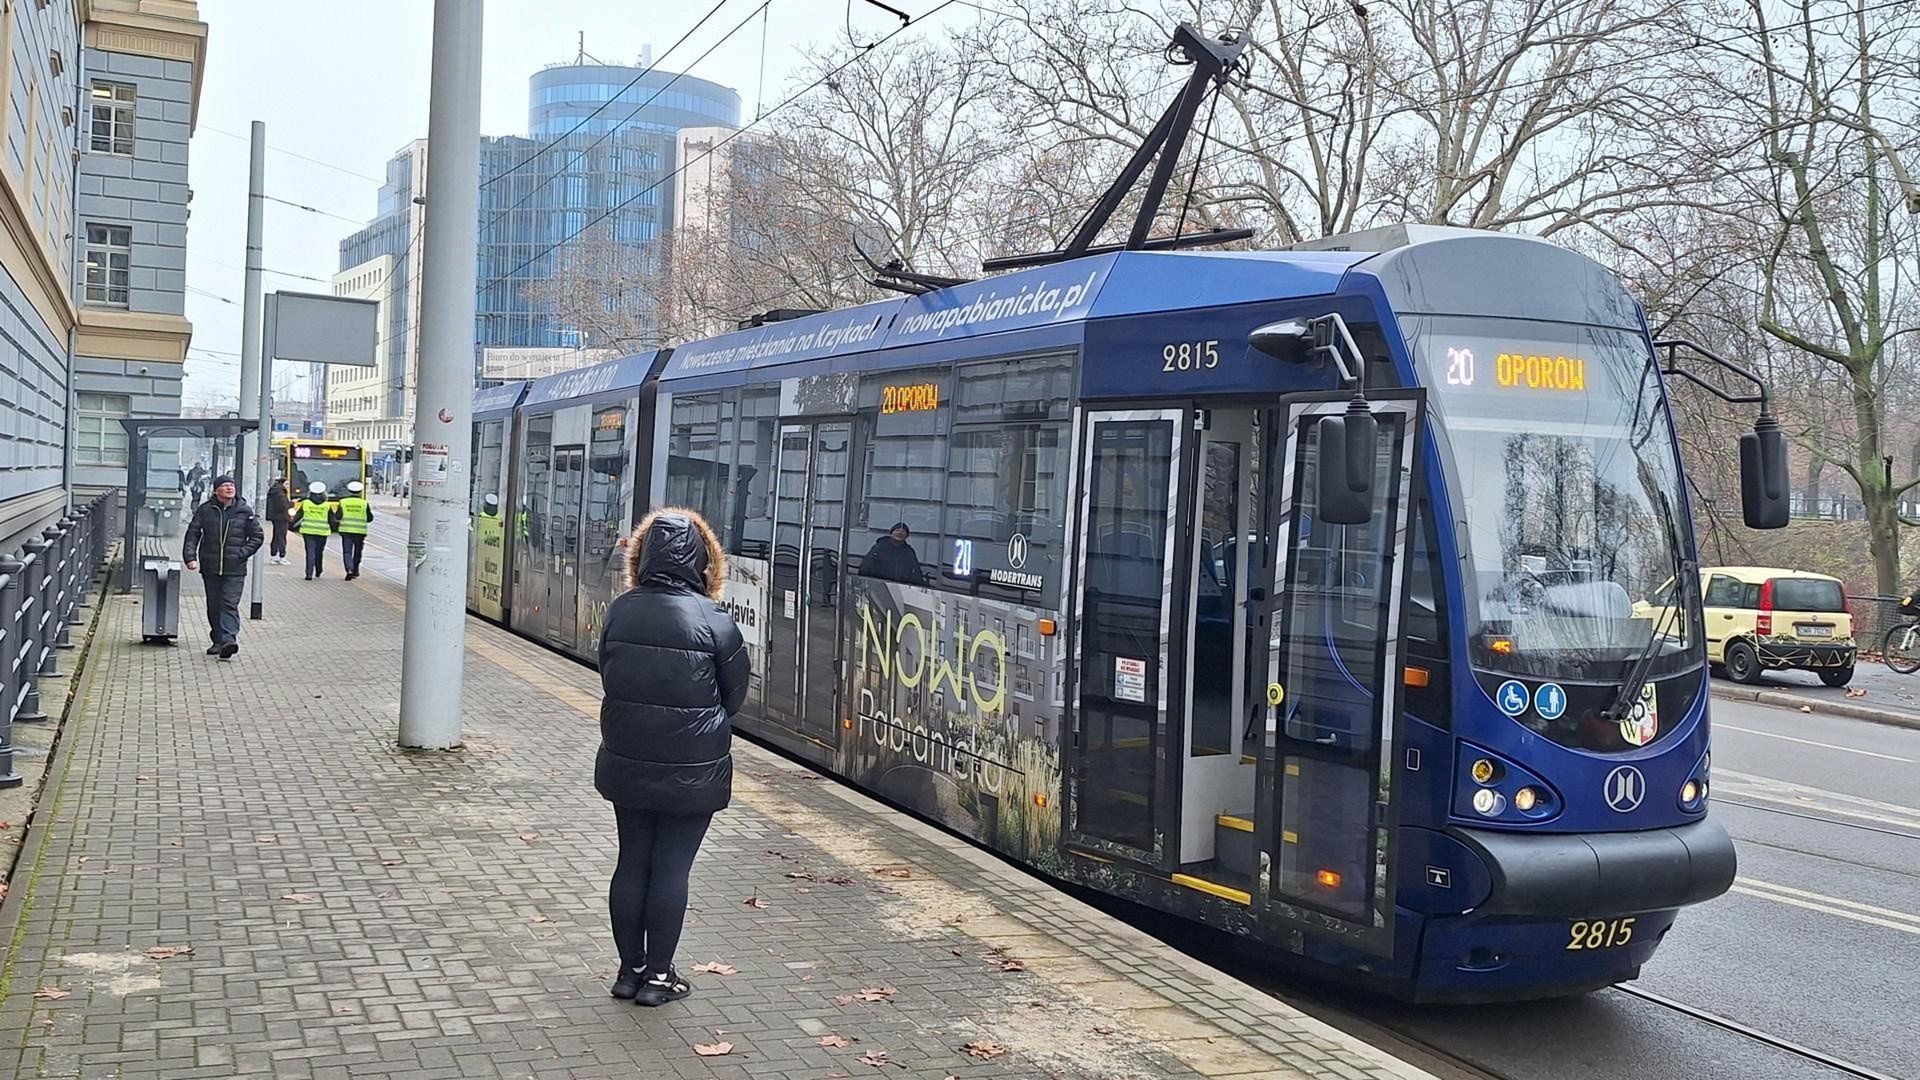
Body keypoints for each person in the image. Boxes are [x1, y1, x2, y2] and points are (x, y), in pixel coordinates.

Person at [596, 508, 748, 1007]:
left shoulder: (621, 609)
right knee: (671, 869)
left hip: (629, 756)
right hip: (693, 766)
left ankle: (628, 972)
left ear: (640, 559)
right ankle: (660, 979)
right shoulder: (714, 619)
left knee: (631, 862)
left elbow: (610, 674)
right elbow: (734, 697)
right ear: (707, 564)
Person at [181, 476, 264, 660]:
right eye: (225, 485)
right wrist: (190, 557)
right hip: (210, 567)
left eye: (232, 485)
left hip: (235, 568)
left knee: (229, 603)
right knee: (214, 604)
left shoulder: (244, 511)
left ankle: (229, 640)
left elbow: (257, 537)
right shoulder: (206, 510)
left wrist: (241, 554)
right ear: (216, 490)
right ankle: (218, 640)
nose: (229, 488)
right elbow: (193, 533)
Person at [294, 480, 340, 580]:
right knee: (319, 552)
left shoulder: (305, 503)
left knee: (310, 552)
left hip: (308, 532)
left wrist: (290, 524)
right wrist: (335, 528)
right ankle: (318, 571)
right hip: (322, 532)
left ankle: (309, 573)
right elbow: (332, 520)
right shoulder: (327, 505)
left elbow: (298, 516)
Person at [860, 521, 926, 584]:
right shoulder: (880, 547)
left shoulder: (909, 552)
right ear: (891, 533)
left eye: (903, 531)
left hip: (901, 585)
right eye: (896, 530)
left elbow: (916, 571)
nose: (899, 533)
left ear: (906, 536)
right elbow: (867, 565)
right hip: (879, 582)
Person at [337, 480, 373, 581]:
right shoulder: (364, 503)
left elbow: (338, 516)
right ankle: (355, 570)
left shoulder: (343, 502)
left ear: (349, 490)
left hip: (346, 530)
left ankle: (349, 569)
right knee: (358, 552)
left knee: (347, 551)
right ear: (360, 491)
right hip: (360, 532)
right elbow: (370, 518)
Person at [265, 479, 292, 565]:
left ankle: (274, 556)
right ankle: (282, 556)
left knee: (276, 536)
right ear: (282, 484)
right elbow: (283, 506)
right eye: (287, 484)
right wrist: (292, 504)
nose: (288, 486)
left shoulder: (275, 491)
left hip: (275, 517)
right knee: (281, 537)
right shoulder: (281, 493)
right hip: (281, 517)